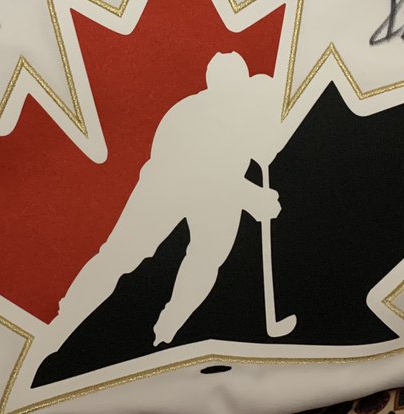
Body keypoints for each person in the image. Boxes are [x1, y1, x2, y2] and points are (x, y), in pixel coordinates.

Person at [55, 51, 284, 345]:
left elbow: (263, 148)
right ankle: (66, 320)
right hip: (165, 190)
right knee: (120, 255)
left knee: (207, 258)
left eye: (237, 88)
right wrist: (251, 195)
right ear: (211, 85)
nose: (232, 95)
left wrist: (267, 136)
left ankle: (167, 331)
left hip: (221, 194)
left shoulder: (245, 109)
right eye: (226, 88)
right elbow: (199, 174)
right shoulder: (186, 115)